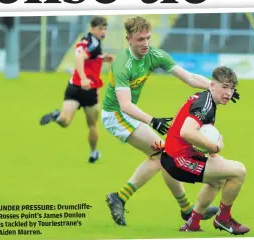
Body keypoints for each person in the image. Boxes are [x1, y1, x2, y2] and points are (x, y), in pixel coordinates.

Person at [101, 16, 240, 226]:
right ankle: (120, 198)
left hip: (128, 112)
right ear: (128, 39)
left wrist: (217, 88)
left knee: (166, 156)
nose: (146, 43)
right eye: (140, 39)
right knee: (160, 155)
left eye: (148, 38)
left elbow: (189, 78)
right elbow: (125, 105)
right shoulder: (122, 64)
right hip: (116, 114)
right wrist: (152, 120)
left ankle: (185, 210)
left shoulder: (155, 54)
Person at [160, 66, 249, 235]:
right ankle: (223, 219)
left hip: (175, 156)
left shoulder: (207, 99)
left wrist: (215, 156)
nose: (228, 93)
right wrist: (213, 147)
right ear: (212, 85)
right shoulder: (206, 104)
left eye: (231, 88)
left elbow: (199, 133)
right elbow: (186, 132)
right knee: (239, 171)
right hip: (178, 160)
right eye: (224, 87)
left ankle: (193, 223)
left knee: (220, 178)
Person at [39, 16, 113, 163]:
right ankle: (93, 153)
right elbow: (79, 58)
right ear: (92, 28)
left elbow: (87, 55)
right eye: (100, 29)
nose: (103, 32)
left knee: (65, 121)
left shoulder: (86, 40)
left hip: (73, 87)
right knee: (92, 125)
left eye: (105, 28)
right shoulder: (93, 43)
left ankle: (56, 115)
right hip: (88, 89)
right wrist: (85, 78)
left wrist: (100, 57)